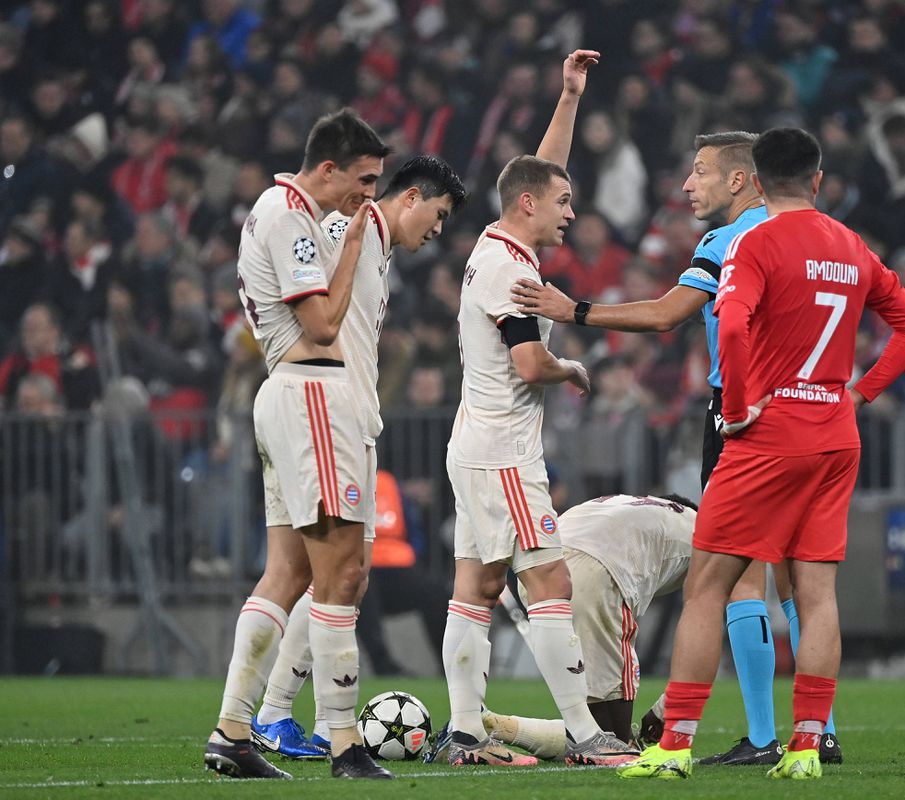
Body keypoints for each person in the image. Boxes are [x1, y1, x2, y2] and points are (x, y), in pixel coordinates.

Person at [513, 131, 839, 767]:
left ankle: (765, 736)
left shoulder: (731, 240)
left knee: (740, 579)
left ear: (741, 180)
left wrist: (573, 310)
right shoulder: (807, 236)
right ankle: (817, 732)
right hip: (812, 411)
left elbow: (668, 314)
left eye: (701, 173)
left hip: (741, 414)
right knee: (804, 584)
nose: (689, 186)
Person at [620, 127, 905, 782]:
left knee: (709, 584)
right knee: (816, 592)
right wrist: (862, 393)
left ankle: (673, 746)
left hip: (769, 430)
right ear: (817, 181)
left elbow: (730, 325)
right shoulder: (852, 247)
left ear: (757, 182)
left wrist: (736, 408)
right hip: (833, 430)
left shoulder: (753, 241)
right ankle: (805, 747)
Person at [442, 48, 638, 769]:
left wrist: (568, 97)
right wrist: (574, 367)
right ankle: (588, 737)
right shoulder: (511, 270)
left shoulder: (499, 246)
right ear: (529, 207)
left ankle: (464, 735)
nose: (572, 213)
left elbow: (537, 175)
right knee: (547, 582)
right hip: (504, 451)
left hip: (475, 443)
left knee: (478, 585)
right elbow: (530, 363)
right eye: (563, 205)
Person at [245, 155, 467, 761]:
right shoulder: (356, 227)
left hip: (348, 420)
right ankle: (297, 723)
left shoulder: (375, 244)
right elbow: (305, 256)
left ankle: (278, 718)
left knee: (345, 578)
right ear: (411, 197)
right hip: (323, 411)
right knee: (331, 575)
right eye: (439, 216)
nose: (437, 231)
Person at [203, 107, 392, 781]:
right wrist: (348, 249)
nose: (368, 197)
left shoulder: (283, 211)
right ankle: (345, 743)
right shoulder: (292, 217)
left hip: (291, 395)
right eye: (363, 180)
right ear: (329, 166)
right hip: (311, 391)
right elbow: (320, 322)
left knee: (290, 574)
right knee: (342, 572)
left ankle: (232, 730)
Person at [441, 493, 696, 759]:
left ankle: (492, 724)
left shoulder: (623, 501)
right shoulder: (699, 526)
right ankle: (498, 730)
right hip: (598, 568)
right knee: (612, 744)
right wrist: (667, 708)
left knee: (590, 730)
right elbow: (704, 622)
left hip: (539, 571)